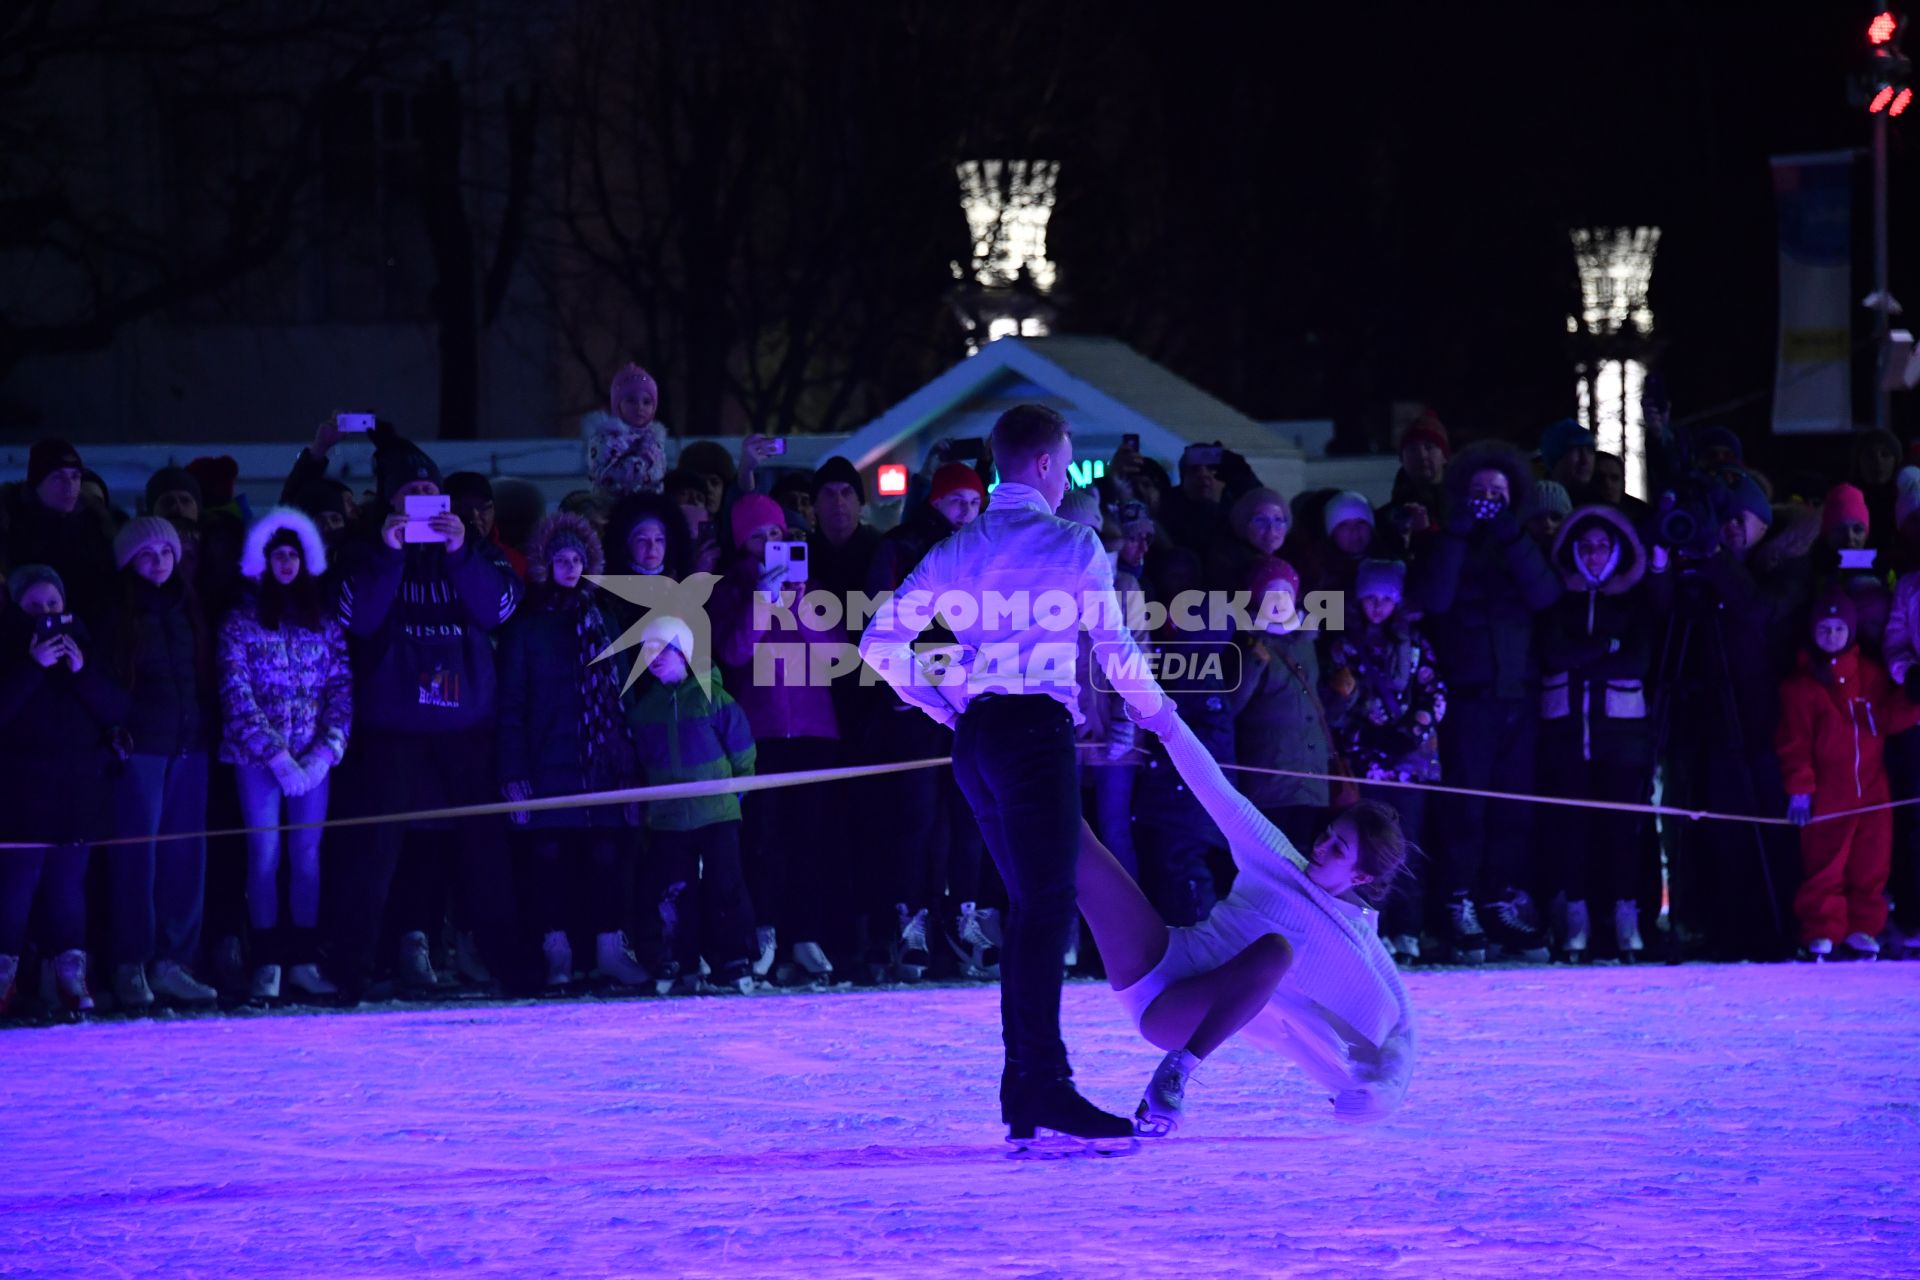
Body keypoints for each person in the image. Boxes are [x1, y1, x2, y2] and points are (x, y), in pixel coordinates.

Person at [861, 403, 1170, 1152]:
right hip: (1033, 736)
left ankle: (1025, 1087)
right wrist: (1163, 719)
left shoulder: (964, 545)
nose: (1066, 479)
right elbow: (1119, 653)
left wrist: (948, 705)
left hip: (981, 741)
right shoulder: (1073, 543)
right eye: (1063, 465)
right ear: (1041, 465)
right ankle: (1041, 1084)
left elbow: (880, 642)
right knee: (1043, 910)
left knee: (1035, 908)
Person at [1081, 699, 1414, 1136]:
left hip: (1181, 1016)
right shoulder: (1276, 857)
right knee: (1075, 840)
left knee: (1276, 952)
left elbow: (1400, 1027)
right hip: (1159, 960)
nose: (1320, 846)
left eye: (1338, 849)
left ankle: (1177, 1073)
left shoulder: (1355, 940)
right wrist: (1167, 722)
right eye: (1328, 834)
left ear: (1362, 874)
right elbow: (1217, 790)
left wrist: (1375, 1093)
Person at [327, 431, 529, 1000]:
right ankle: (352, 968)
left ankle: (507, 963)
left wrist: (462, 552)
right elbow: (358, 619)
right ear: (391, 502)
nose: (422, 501)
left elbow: (499, 609)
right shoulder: (365, 550)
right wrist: (391, 556)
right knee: (373, 853)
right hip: (395, 727)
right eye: (410, 493)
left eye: (429, 491)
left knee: (485, 852)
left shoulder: (471, 546)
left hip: (467, 725)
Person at [1408, 442, 1563, 962]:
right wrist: (1457, 531)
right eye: (1480, 493)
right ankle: (1456, 902)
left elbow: (1545, 596)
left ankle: (1500, 898)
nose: (1489, 501)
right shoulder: (1445, 542)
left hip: (1517, 697)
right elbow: (1434, 598)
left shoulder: (1521, 543)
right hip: (1469, 699)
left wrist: (1509, 534)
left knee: (1512, 809)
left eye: (1498, 493)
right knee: (1465, 811)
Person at [496, 513, 650, 989]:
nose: (569, 566)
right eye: (560, 558)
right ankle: (556, 952)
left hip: (602, 768)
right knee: (550, 860)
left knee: (607, 859)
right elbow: (511, 706)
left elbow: (623, 698)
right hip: (546, 768)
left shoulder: (603, 619)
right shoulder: (527, 628)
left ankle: (608, 950)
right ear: (545, 563)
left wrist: (628, 773)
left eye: (577, 558)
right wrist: (513, 771)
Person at [709, 493, 846, 984]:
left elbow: (836, 654)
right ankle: (763, 931)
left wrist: (802, 601)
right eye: (759, 535)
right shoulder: (729, 590)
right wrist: (763, 601)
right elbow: (734, 652)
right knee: (762, 839)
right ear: (742, 543)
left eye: (775, 533)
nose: (770, 542)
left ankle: (805, 935)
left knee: (809, 838)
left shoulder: (810, 585)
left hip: (813, 729)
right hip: (758, 732)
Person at [217, 509, 353, 1000]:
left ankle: (301, 958)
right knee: (264, 855)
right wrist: (276, 756)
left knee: (307, 857)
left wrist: (323, 755)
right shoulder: (240, 623)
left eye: (294, 554)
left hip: (313, 762)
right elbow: (236, 694)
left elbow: (341, 690)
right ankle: (268, 960)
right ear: (264, 562)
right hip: (259, 763)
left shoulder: (326, 624)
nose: (287, 563)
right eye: (279, 555)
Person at [1535, 506, 1662, 960]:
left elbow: (1637, 661)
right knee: (1572, 830)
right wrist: (1604, 646)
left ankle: (1626, 921)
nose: (1592, 554)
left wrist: (1583, 655)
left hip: (1622, 737)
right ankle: (1576, 920)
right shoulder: (1556, 601)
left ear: (1617, 550)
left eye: (1601, 546)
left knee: (1621, 831)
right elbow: (1551, 653)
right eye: (1584, 546)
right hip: (1566, 732)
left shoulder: (1635, 601)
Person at [0, 565, 128, 1014]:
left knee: (67, 887)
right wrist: (31, 667)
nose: (46, 614)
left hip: (77, 790)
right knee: (16, 885)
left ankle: (70, 975)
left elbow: (115, 709)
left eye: (53, 604)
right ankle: (5, 975)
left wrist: (81, 671)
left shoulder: (86, 644)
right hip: (20, 792)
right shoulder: (7, 648)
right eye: (34, 606)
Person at [107, 516, 219, 1008]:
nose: (158, 562)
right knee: (137, 857)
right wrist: (116, 728)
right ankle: (131, 961)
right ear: (129, 561)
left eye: (166, 553)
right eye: (147, 554)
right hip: (142, 748)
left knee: (185, 856)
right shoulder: (117, 613)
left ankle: (174, 961)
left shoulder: (189, 607)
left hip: (190, 743)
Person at [1776, 590, 1920, 959]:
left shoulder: (1870, 676)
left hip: (1873, 789)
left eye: (1839, 628)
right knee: (1826, 865)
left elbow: (1885, 719)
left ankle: (1862, 927)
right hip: (1830, 792)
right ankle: (1822, 928)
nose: (1832, 635)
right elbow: (1795, 743)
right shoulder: (1801, 687)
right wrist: (1800, 789)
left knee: (1870, 864)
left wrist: (1914, 704)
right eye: (1824, 628)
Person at [623, 614, 760, 994]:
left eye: (662, 648)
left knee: (724, 886)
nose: (653, 656)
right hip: (668, 822)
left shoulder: (713, 697)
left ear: (683, 651)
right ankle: (681, 958)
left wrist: (733, 796)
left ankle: (733, 959)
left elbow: (743, 754)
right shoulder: (643, 710)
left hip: (716, 816)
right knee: (674, 891)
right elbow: (639, 764)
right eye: (647, 649)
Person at [1322, 558, 1445, 961]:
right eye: (1370, 598)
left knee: (1408, 845)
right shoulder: (1344, 645)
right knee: (1368, 849)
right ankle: (1371, 923)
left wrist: (1409, 733)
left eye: (1385, 599)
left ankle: (1408, 927)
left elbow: (1435, 695)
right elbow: (1336, 703)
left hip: (1409, 763)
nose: (1377, 607)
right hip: (1364, 763)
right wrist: (1364, 734)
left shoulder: (1415, 644)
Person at [0, 438, 118, 625]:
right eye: (58, 477)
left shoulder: (96, 525)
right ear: (36, 482)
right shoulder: (10, 524)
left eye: (75, 476)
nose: (69, 486)